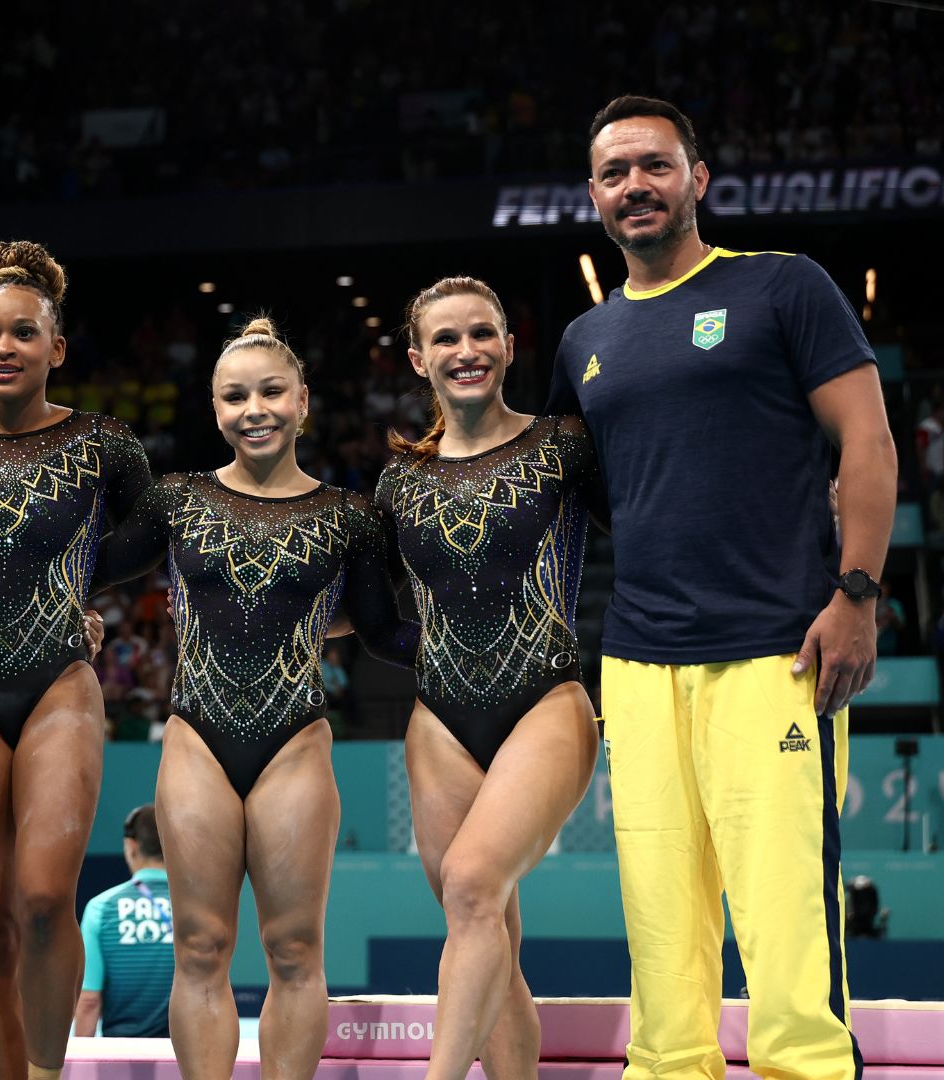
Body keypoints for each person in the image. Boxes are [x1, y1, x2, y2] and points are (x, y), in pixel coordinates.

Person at [549, 95, 895, 1080]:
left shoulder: (782, 286)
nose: (636, 186)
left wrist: (857, 594)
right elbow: (590, 494)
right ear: (594, 197)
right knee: (662, 920)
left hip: (775, 651)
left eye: (655, 166)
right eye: (615, 173)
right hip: (638, 664)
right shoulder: (584, 340)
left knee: (785, 914)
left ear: (697, 179)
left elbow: (868, 442)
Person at [91, 317, 413, 1078]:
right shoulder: (178, 500)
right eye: (235, 397)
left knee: (294, 949)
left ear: (302, 401)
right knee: (200, 946)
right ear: (214, 409)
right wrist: (59, 608)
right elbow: (83, 566)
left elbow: (380, 631)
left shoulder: (349, 518)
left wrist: (470, 649)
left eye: (271, 392)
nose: (254, 409)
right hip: (197, 739)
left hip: (294, 740)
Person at [0, 241, 150, 1080]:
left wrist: (74, 586)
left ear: (57, 348)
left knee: (46, 900)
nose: (2, 347)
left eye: (22, 332)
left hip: (59, 685)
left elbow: (151, 537)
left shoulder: (103, 444)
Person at [378, 277, 601, 1079]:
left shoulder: (564, 447)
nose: (465, 350)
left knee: (472, 886)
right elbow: (360, 608)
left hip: (547, 701)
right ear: (418, 360)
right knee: (484, 926)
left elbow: (653, 522)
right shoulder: (399, 481)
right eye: (445, 338)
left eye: (481, 334)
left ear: (509, 347)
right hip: (439, 719)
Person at [74, 804, 172, 1039]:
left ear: (131, 846)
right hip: (185, 1054)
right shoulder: (197, 907)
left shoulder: (101, 907)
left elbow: (89, 1000)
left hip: (121, 1051)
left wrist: (80, 1057)